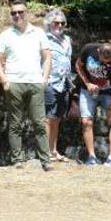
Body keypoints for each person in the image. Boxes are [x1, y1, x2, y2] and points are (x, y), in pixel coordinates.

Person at [0, 0, 53, 171]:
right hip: (14, 83)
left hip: (35, 83)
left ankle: (45, 160)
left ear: (27, 13)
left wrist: (44, 79)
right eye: (13, 13)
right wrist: (4, 80)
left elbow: (47, 57)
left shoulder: (39, 32)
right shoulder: (6, 35)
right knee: (15, 124)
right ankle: (17, 160)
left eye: (20, 12)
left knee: (39, 123)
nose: (17, 15)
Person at [75, 42, 111, 166]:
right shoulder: (88, 50)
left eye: (108, 61)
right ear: (98, 52)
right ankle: (92, 157)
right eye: (103, 60)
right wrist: (87, 83)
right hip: (88, 91)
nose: (105, 63)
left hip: (109, 93)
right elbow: (78, 66)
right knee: (86, 121)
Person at [42, 9, 72, 162]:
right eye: (56, 22)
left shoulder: (67, 39)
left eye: (62, 23)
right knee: (48, 118)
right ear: (49, 23)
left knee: (57, 118)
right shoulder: (43, 39)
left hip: (64, 83)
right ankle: (45, 152)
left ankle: (54, 151)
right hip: (50, 82)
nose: (59, 25)